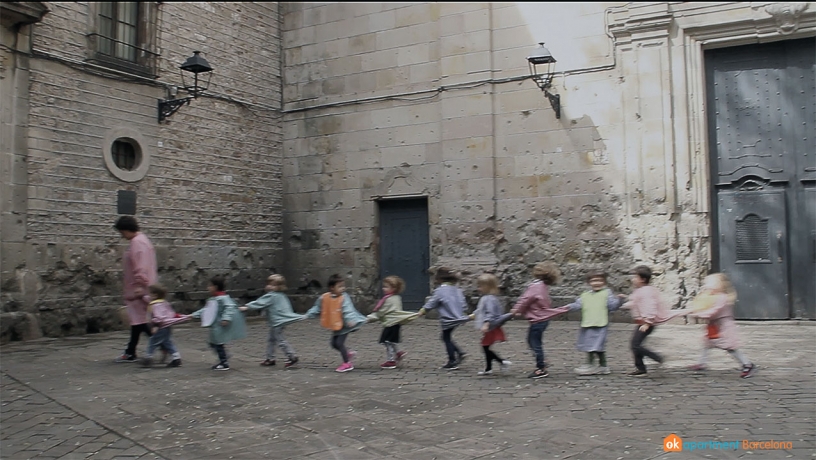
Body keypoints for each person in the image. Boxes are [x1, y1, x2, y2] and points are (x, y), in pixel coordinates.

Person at [619, 265, 687, 377]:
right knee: (635, 345)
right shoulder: (641, 291)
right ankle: (640, 368)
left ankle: (656, 358)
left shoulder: (646, 292)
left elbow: (650, 306)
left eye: (635, 277)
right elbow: (635, 302)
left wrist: (648, 322)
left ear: (643, 279)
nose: (633, 279)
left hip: (646, 323)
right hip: (643, 322)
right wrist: (624, 302)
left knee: (635, 345)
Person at [686, 273, 757, 378]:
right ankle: (702, 363)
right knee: (707, 344)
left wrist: (697, 314)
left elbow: (713, 311)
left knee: (730, 347)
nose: (707, 286)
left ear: (720, 285)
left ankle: (747, 364)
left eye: (710, 283)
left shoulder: (722, 298)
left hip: (724, 326)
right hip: (714, 326)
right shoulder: (712, 296)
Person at [510, 261, 570, 379]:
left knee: (535, 343)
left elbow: (526, 299)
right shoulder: (543, 286)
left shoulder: (535, 286)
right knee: (533, 341)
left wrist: (516, 309)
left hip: (537, 319)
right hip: (542, 318)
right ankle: (542, 361)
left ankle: (541, 367)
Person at [113, 216, 159, 363]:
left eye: (122, 232)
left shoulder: (137, 243)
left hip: (138, 289)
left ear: (126, 230)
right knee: (137, 321)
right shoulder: (142, 240)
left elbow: (141, 266)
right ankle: (131, 351)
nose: (122, 236)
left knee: (141, 322)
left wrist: (140, 285)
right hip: (141, 288)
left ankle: (165, 344)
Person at [239, 274, 305, 368]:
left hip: (277, 321)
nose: (270, 286)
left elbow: (259, 303)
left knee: (279, 340)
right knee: (272, 339)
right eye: (269, 284)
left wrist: (246, 307)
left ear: (279, 286)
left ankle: (291, 356)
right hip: (279, 321)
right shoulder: (281, 295)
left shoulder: (272, 296)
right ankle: (270, 358)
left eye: (273, 285)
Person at [305, 274, 367, 373]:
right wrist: (309, 314)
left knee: (339, 343)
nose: (343, 289)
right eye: (340, 286)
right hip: (336, 324)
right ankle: (347, 353)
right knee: (333, 344)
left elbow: (348, 310)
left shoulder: (344, 297)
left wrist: (350, 320)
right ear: (332, 288)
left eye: (343, 286)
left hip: (345, 325)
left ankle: (347, 363)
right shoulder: (324, 297)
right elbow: (317, 307)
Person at [565, 270, 621, 376]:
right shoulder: (585, 295)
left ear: (604, 282)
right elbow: (578, 304)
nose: (596, 283)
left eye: (599, 280)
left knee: (596, 345)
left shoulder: (606, 293)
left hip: (600, 323)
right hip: (588, 323)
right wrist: (567, 307)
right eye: (594, 280)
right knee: (592, 344)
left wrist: (619, 300)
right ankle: (603, 365)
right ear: (589, 283)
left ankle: (590, 364)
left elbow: (612, 306)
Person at [417, 267, 472, 370]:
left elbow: (432, 302)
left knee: (446, 338)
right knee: (446, 337)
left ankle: (452, 360)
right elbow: (463, 303)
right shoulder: (457, 290)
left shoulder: (440, 291)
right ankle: (459, 353)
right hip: (458, 317)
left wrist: (423, 310)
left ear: (440, 279)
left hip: (448, 318)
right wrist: (463, 314)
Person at [190, 275, 247, 371]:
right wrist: (194, 315)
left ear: (215, 287)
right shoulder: (214, 299)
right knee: (213, 343)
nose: (208, 288)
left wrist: (226, 318)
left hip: (219, 325)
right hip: (215, 325)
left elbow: (230, 307)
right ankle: (224, 355)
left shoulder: (222, 298)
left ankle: (224, 362)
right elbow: (206, 310)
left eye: (209, 286)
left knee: (218, 343)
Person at [366, 276, 420, 369]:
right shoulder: (396, 298)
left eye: (386, 287)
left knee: (387, 341)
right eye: (384, 286)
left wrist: (369, 318)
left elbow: (381, 312)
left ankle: (391, 360)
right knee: (391, 341)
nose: (383, 288)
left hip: (391, 323)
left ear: (394, 288)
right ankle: (398, 353)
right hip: (395, 323)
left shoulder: (389, 300)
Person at [140, 284, 190, 368]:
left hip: (160, 327)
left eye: (151, 294)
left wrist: (155, 325)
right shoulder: (164, 303)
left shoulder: (156, 305)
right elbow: (171, 314)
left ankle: (148, 357)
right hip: (167, 327)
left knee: (152, 341)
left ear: (155, 295)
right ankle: (176, 358)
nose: (149, 296)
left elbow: (159, 317)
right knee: (168, 342)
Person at [473, 274, 513, 376]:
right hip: (491, 326)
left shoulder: (489, 299)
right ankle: (489, 368)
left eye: (480, 286)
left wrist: (486, 323)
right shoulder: (487, 298)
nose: (478, 288)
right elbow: (481, 310)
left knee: (485, 347)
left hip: (491, 327)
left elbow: (490, 313)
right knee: (486, 347)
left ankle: (502, 362)